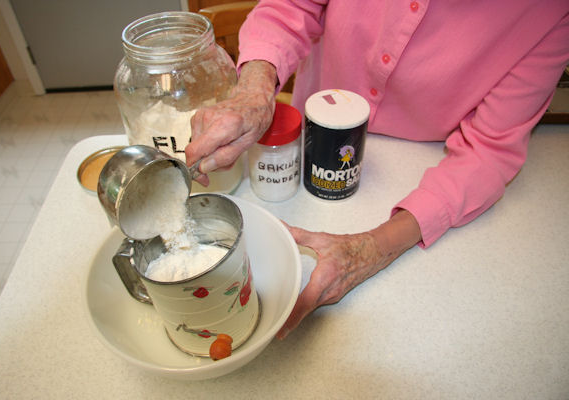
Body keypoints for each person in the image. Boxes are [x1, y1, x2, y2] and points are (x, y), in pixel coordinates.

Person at [185, 0, 569, 339]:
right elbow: (291, 7)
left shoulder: (552, 12)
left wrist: (373, 248)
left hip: (421, 168)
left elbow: (488, 151)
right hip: (308, 141)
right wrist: (254, 90)